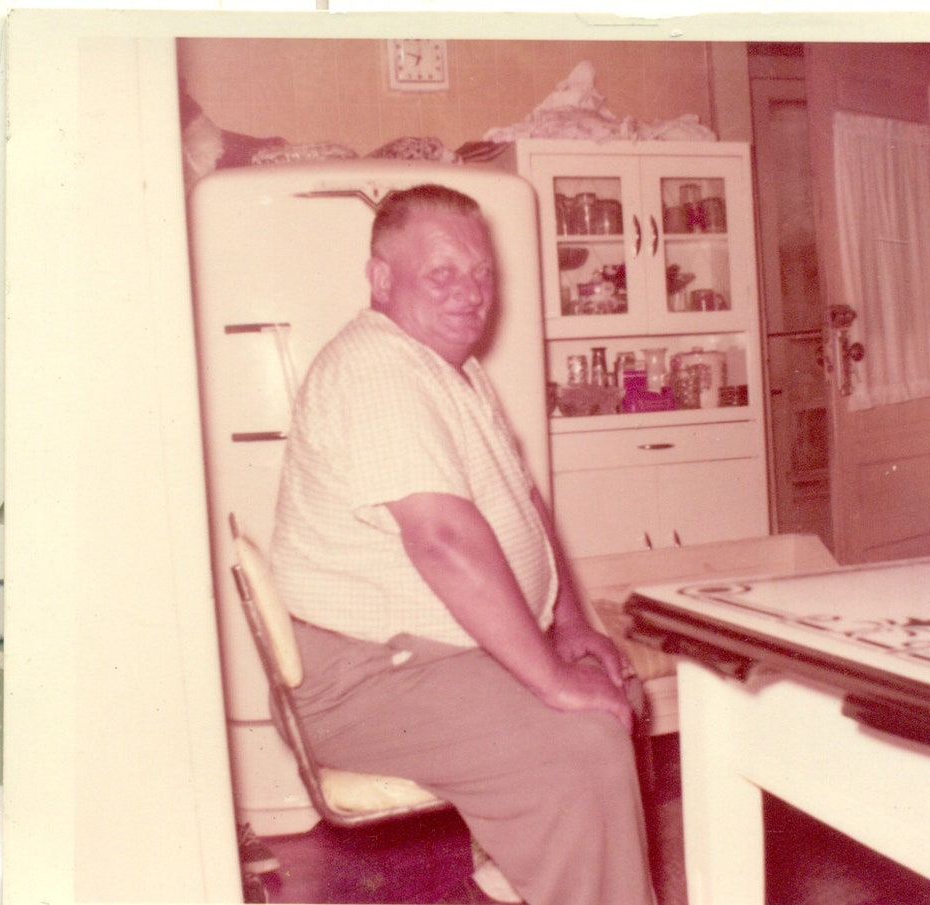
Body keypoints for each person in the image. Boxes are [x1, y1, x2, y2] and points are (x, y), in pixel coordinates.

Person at [270, 184, 656, 905]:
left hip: (422, 653)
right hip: (369, 676)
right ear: (382, 278)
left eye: (481, 274)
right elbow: (444, 542)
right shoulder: (378, 369)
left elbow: (522, 501)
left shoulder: (450, 367)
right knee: (583, 739)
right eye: (443, 273)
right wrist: (549, 675)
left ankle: (528, 879)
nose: (470, 293)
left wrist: (568, 623)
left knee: (607, 690)